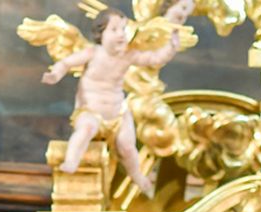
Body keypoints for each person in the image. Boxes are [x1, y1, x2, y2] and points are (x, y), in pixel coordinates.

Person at [42, 8, 185, 196]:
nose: (121, 35)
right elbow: (66, 63)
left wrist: (171, 46)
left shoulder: (128, 55)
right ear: (101, 34)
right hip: (90, 111)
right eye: (115, 29)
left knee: (127, 146)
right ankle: (71, 161)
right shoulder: (93, 53)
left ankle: (137, 175)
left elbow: (154, 58)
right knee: (86, 129)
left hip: (118, 113)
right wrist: (55, 73)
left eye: (124, 29)